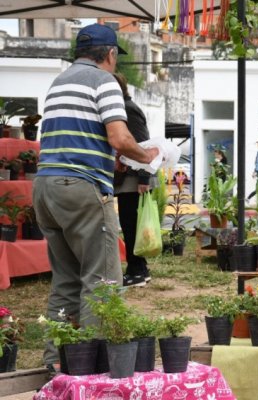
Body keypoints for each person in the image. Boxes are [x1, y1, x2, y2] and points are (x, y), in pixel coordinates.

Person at [32, 23, 159, 372]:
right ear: (111, 54)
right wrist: (146, 155)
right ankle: (90, 369)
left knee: (66, 279)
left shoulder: (60, 82)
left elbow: (77, 138)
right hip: (82, 187)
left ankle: (55, 363)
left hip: (46, 187)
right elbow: (119, 137)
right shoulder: (104, 81)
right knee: (102, 281)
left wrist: (113, 160)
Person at [113, 73, 155, 288]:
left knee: (131, 226)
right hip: (129, 179)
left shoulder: (128, 109)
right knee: (131, 226)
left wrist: (144, 178)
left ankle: (136, 270)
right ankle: (140, 269)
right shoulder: (122, 110)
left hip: (134, 180)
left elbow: (144, 144)